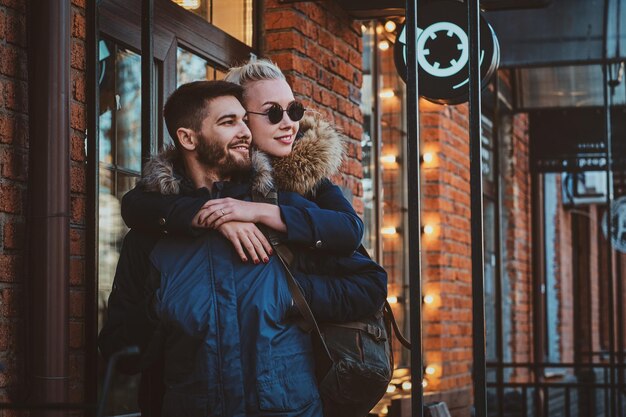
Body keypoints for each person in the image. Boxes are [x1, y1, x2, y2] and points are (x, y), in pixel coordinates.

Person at [98, 80, 386, 417]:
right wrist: (159, 307)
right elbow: (120, 349)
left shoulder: (283, 210)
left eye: (243, 120)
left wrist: (293, 295)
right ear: (188, 138)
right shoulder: (150, 238)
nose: (245, 132)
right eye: (228, 122)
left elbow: (370, 285)